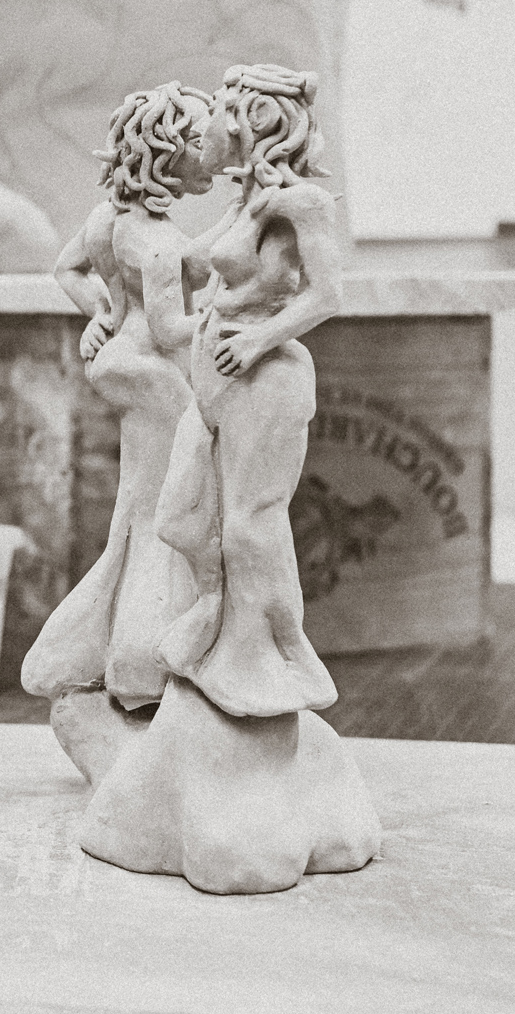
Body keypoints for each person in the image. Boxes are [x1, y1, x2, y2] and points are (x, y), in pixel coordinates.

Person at [19, 82, 214, 767]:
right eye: (196, 140)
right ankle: (144, 656)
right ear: (165, 154)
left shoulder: (109, 219)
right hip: (158, 377)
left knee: (136, 513)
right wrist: (229, 327)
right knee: (174, 511)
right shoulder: (158, 242)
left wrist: (99, 311)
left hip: (119, 363)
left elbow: (65, 268)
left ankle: (108, 643)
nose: (210, 152)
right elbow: (170, 328)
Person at [152, 63, 341, 717]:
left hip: (266, 377)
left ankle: (278, 665)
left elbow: (326, 294)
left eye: (216, 109)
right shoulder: (242, 203)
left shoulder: (299, 204)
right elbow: (186, 262)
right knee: (188, 516)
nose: (206, 122)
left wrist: (260, 339)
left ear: (251, 118)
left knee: (251, 528)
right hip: (219, 379)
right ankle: (221, 638)